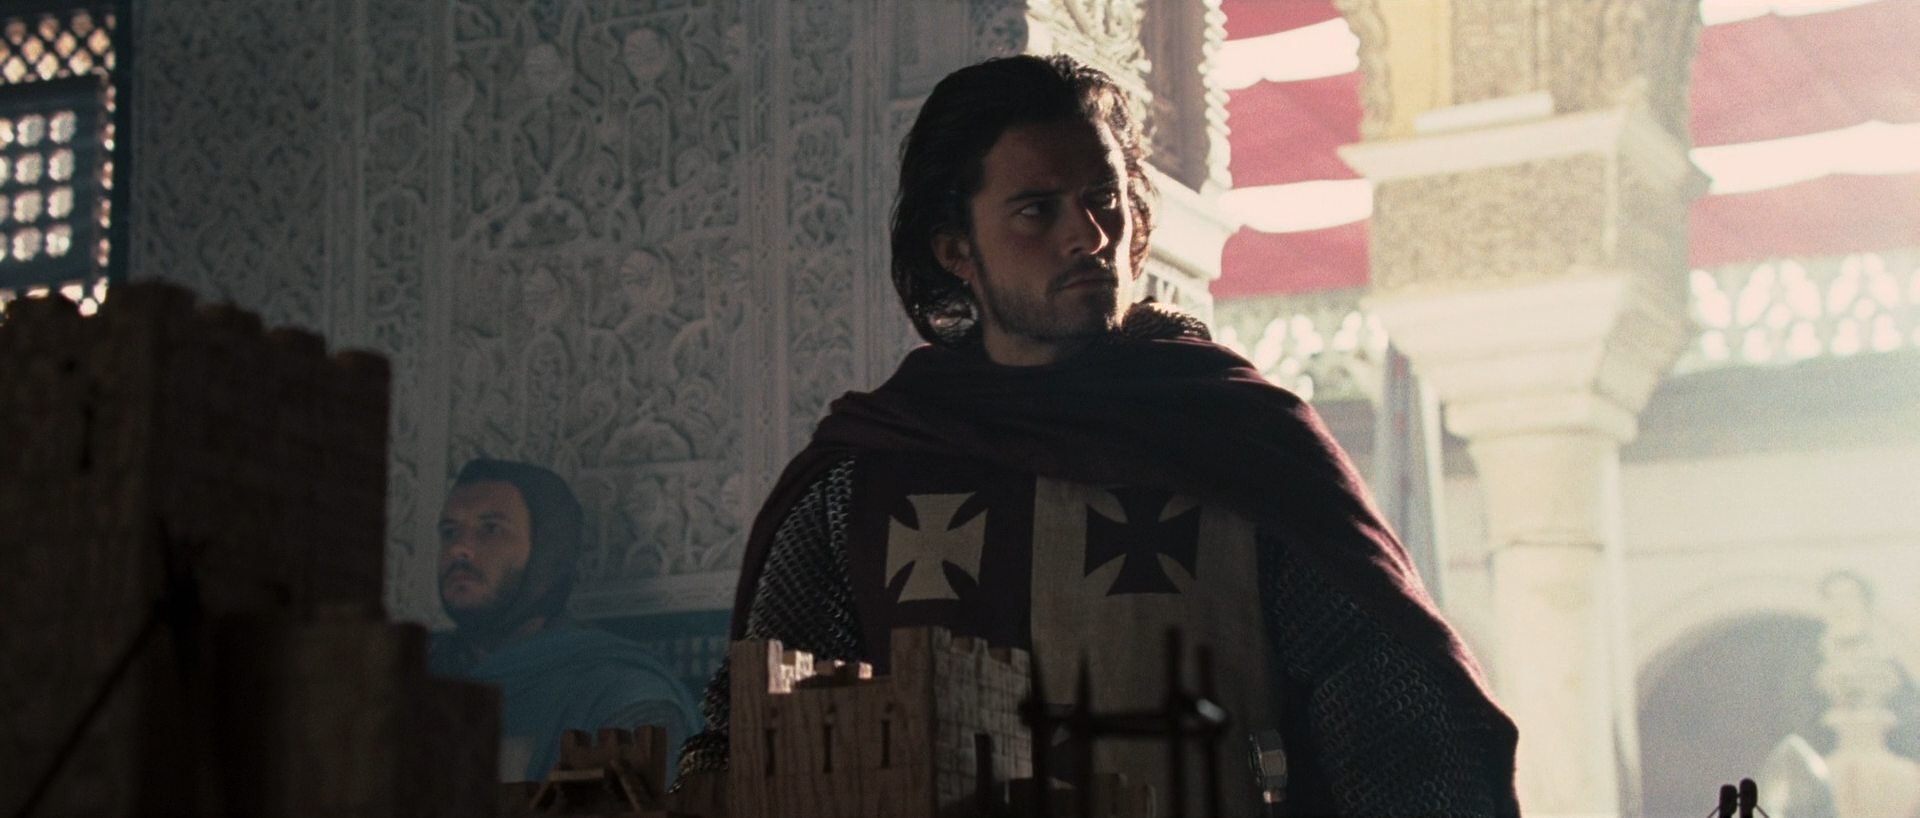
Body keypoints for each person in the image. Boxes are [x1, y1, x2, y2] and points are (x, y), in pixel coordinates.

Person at [676, 54, 1519, 815]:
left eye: (1103, 199)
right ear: (956, 250)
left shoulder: (1238, 441)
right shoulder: (871, 475)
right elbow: (761, 746)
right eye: (1036, 211)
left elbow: (1403, 730)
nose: (1089, 234)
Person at [429, 458, 697, 782]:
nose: (459, 548)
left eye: (490, 529)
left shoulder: (622, 697)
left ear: (546, 551)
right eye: (449, 532)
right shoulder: (411, 678)